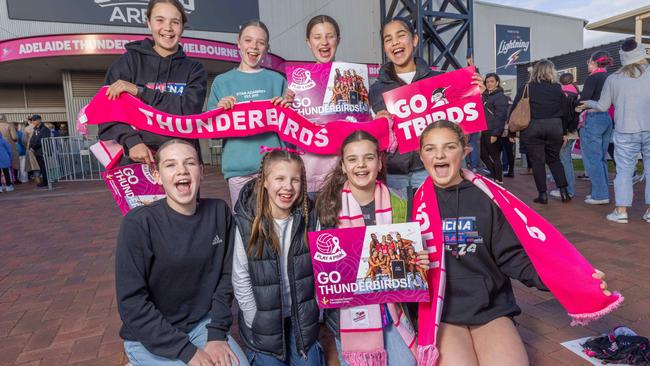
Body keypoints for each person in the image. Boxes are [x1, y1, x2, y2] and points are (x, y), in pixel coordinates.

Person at [416, 120, 610, 365]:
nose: (440, 154)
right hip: (442, 313)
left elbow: (513, 257)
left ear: (465, 151)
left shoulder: (488, 197)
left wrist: (570, 279)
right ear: (421, 156)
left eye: (449, 146)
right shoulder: (414, 205)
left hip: (490, 308)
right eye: (430, 148)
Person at [115, 139, 247, 366]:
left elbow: (227, 279)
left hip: (201, 325)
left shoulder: (219, 212)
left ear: (201, 172)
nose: (182, 171)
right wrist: (187, 353)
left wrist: (216, 335)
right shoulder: (138, 223)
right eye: (170, 165)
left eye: (190, 163)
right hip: (150, 337)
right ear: (157, 176)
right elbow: (132, 303)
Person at [316, 130, 429, 366]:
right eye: (353, 159)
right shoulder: (328, 208)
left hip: (393, 310)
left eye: (368, 158)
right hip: (349, 316)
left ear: (379, 163)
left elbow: (411, 262)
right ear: (344, 166)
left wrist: (419, 261)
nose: (361, 165)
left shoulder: (402, 202)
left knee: (408, 362)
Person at [369, 17, 485, 193]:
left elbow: (461, 128)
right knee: (400, 220)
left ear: (414, 40)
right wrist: (377, 125)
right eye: (388, 39)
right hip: (393, 173)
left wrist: (475, 98)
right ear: (385, 48)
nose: (395, 42)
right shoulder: (376, 89)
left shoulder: (438, 81)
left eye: (401, 35)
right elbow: (372, 138)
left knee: (433, 216)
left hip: (430, 169)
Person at [231, 148, 323, 366]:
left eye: (295, 180)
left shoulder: (310, 218)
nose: (288, 187)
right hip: (264, 323)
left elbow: (322, 269)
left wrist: (316, 311)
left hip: (301, 318)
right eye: (279, 179)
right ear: (264, 181)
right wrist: (255, 319)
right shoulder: (247, 221)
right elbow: (240, 276)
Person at [99, 0, 207, 166]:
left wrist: (140, 91)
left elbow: (187, 109)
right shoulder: (129, 62)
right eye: (160, 20)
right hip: (137, 163)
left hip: (182, 163)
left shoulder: (194, 69)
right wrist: (132, 141)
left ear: (182, 27)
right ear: (148, 23)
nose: (168, 28)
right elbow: (108, 112)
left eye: (175, 22)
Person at [208, 20, 292, 207]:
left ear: (267, 48)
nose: (254, 47)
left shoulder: (277, 80)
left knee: (276, 225)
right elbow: (211, 132)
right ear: (238, 43)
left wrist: (289, 108)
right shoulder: (222, 82)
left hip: (274, 168)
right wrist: (218, 111)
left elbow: (291, 130)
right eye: (248, 40)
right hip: (238, 171)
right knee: (246, 225)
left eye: (260, 42)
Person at [579, 39, 650, 224]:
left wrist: (588, 104)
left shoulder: (614, 78)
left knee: (624, 171)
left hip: (625, 130)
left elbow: (602, 106)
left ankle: (621, 211)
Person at [511, 60, 571, 204]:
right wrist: (564, 132)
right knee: (555, 160)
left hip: (533, 127)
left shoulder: (527, 87)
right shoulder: (557, 88)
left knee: (537, 162)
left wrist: (511, 132)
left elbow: (515, 109)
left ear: (535, 71)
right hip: (554, 126)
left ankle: (543, 195)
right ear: (551, 71)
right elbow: (566, 111)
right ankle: (564, 192)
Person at [579, 50, 615, 205]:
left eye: (588, 61)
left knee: (592, 159)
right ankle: (599, 192)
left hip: (593, 118)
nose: (587, 64)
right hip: (607, 118)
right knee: (600, 158)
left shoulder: (593, 78)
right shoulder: (611, 77)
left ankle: (600, 195)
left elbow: (584, 100)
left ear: (593, 62)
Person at [550, 73, 581, 199]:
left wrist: (564, 133)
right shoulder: (575, 92)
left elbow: (565, 115)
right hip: (571, 130)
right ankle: (567, 188)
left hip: (566, 131)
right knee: (565, 160)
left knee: (564, 161)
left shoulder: (566, 94)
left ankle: (568, 190)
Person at [482, 73, 508, 184]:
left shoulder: (500, 96)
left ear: (497, 82)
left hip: (493, 130)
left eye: (492, 81)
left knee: (495, 156)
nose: (489, 84)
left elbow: (501, 116)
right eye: (487, 82)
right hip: (484, 129)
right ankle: (494, 174)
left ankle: (499, 179)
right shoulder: (486, 95)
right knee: (483, 155)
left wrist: (495, 133)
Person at [28, 115, 51, 188]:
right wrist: (31, 146)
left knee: (44, 167)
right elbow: (33, 138)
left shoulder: (45, 129)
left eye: (34, 120)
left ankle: (46, 181)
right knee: (42, 167)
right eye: (32, 120)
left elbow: (42, 140)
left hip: (43, 151)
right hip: (37, 151)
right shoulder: (36, 129)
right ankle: (45, 181)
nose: (33, 121)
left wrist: (33, 147)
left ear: (39, 120)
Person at [0, 114, 18, 184]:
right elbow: (14, 137)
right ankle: (14, 179)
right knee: (13, 162)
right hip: (9, 145)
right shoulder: (9, 125)